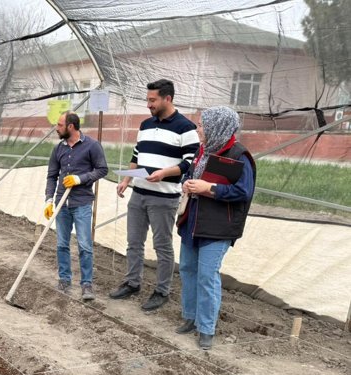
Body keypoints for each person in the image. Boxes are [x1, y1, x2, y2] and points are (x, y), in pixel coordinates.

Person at [110, 79, 199, 311]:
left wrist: (164, 174)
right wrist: (126, 180)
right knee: (134, 242)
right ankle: (132, 282)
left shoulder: (186, 128)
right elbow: (136, 154)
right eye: (148, 99)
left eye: (153, 100)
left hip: (164, 197)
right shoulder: (146, 125)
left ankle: (162, 290)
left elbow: (190, 162)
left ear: (167, 99)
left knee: (162, 245)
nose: (148, 104)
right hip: (139, 194)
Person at [175, 106, 255, 350]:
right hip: (193, 221)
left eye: (202, 126)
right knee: (188, 269)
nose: (198, 129)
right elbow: (190, 174)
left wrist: (208, 189)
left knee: (207, 276)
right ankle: (190, 316)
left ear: (216, 128)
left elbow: (244, 191)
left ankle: (206, 328)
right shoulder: (203, 150)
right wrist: (187, 183)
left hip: (217, 227)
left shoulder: (238, 155)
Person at [44, 112, 108, 300]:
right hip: (62, 203)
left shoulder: (92, 146)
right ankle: (64, 279)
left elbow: (102, 169)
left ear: (71, 127)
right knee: (62, 244)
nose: (57, 128)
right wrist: (49, 200)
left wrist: (81, 178)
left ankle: (86, 284)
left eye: (60, 124)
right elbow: (52, 176)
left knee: (84, 245)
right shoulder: (58, 149)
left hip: (82, 203)